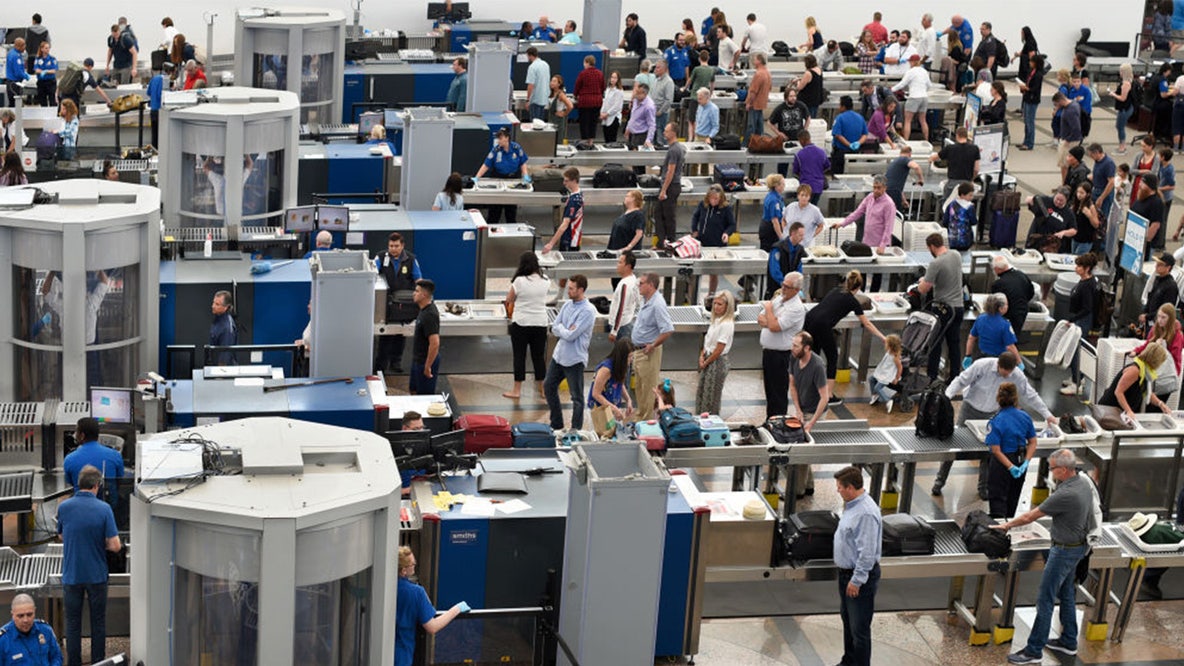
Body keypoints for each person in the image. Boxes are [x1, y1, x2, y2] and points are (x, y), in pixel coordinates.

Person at [997, 449, 1097, 663]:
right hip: (1078, 546)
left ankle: (1033, 651)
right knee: (1067, 593)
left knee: (1045, 599)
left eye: (1052, 468)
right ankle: (1069, 641)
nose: (1050, 472)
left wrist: (1006, 525)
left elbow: (1030, 516)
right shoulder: (1083, 482)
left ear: (1062, 469)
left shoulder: (1066, 494)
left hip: (1064, 550)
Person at [935, 352, 1056, 496]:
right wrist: (946, 398)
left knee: (989, 450)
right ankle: (939, 481)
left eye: (1009, 372)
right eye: (1004, 372)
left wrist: (1047, 415)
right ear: (998, 364)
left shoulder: (1016, 374)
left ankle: (983, 487)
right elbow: (961, 381)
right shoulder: (982, 365)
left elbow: (1030, 395)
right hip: (970, 409)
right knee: (955, 445)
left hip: (992, 413)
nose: (1006, 375)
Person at [57, 465, 120, 666]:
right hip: (96, 575)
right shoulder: (104, 509)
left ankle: (73, 662)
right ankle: (98, 662)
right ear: (96, 486)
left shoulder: (64, 507)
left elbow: (61, 535)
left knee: (73, 624)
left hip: (72, 574)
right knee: (98, 623)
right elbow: (115, 545)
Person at [804, 271, 886, 405]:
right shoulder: (852, 301)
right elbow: (867, 323)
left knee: (814, 356)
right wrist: (883, 337)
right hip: (822, 324)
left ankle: (810, 390)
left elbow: (831, 306)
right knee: (832, 357)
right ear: (858, 287)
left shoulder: (835, 290)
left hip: (810, 319)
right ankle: (828, 395)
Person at [832, 465, 882, 666]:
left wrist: (857, 580)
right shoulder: (853, 505)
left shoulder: (865, 514)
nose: (838, 490)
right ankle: (849, 661)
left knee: (859, 629)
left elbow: (867, 553)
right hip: (846, 575)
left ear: (851, 487)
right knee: (848, 623)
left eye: (840, 487)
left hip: (858, 578)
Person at [395, 546, 468, 666]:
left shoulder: (384, 587)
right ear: (403, 570)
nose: (415, 565)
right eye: (412, 564)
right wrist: (457, 609)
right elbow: (432, 626)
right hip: (402, 655)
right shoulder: (416, 592)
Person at [544, 274, 596, 430]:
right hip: (559, 356)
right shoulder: (567, 305)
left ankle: (576, 429)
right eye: (568, 288)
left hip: (574, 359)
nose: (568, 291)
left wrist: (563, 330)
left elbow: (571, 335)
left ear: (581, 290)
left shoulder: (588, 311)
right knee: (548, 387)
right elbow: (555, 327)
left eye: (572, 289)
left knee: (577, 398)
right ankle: (557, 424)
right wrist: (563, 329)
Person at [982, 382, 1038, 519]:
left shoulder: (996, 421)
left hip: (1002, 463)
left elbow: (995, 450)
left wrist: (1010, 466)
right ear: (1015, 398)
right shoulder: (1025, 417)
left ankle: (999, 533)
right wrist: (1025, 462)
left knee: (998, 500)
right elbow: (1033, 442)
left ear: (998, 398)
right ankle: (1010, 528)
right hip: (1020, 459)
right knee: (1013, 497)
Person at [503, 251, 551, 400]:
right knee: (538, 357)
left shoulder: (519, 281)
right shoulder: (546, 280)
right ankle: (543, 389)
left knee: (519, 356)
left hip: (521, 323)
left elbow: (509, 299)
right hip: (540, 323)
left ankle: (516, 390)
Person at [918, 233, 965, 382]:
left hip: (943, 308)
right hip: (958, 307)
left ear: (931, 247)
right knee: (954, 344)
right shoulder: (956, 255)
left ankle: (932, 377)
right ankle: (955, 377)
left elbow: (923, 289)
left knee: (935, 343)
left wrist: (922, 281)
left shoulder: (935, 263)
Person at [836, 175, 896, 291]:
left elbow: (889, 227)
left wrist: (882, 245)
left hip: (879, 243)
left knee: (877, 273)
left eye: (878, 188)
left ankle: (873, 296)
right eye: (874, 187)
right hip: (867, 241)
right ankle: (861, 294)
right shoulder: (869, 197)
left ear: (885, 188)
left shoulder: (889, 204)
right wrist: (843, 223)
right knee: (862, 270)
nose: (876, 191)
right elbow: (858, 212)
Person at [759, 273, 806, 419]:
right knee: (769, 391)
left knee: (778, 393)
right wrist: (771, 320)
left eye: (787, 287)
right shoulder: (780, 298)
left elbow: (773, 326)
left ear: (797, 290)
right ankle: (770, 421)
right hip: (769, 352)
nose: (783, 288)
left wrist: (768, 310)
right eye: (783, 285)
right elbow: (760, 319)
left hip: (782, 355)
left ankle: (778, 422)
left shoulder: (796, 308)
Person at [375, 232, 422, 374]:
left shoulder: (411, 259)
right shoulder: (381, 256)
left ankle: (396, 362)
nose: (393, 249)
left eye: (396, 246)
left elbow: (418, 279)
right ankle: (380, 365)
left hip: (404, 304)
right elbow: (372, 272)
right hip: (386, 303)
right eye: (391, 246)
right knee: (385, 335)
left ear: (402, 246)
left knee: (400, 334)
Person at [631, 272, 675, 421]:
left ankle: (648, 420)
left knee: (649, 388)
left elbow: (668, 329)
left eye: (642, 283)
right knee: (640, 387)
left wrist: (653, 345)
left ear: (651, 285)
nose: (639, 285)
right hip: (638, 351)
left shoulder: (657, 304)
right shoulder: (646, 299)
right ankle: (640, 416)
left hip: (648, 352)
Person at [1132, 302, 1184, 404]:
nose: (1160, 320)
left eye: (1163, 317)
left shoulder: (1177, 336)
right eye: (1159, 316)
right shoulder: (1155, 328)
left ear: (1170, 318)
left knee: (1156, 406)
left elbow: (1175, 359)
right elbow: (1147, 344)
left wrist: (1160, 348)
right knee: (1144, 403)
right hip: (1152, 372)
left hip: (1165, 377)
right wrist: (1136, 351)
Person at [474, 128, 529, 224]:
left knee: (511, 210)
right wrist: (477, 177)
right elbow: (486, 164)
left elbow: (522, 163)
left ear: (507, 138)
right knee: (495, 210)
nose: (499, 140)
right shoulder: (496, 150)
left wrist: (526, 176)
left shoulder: (516, 148)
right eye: (498, 138)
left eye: (501, 138)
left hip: (512, 179)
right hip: (498, 178)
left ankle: (511, 231)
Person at [690, 184, 735, 298]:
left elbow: (732, 225)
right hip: (702, 241)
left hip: (717, 244)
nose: (713, 201)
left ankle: (711, 295)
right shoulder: (703, 205)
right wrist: (694, 229)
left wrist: (726, 233)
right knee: (695, 268)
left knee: (713, 273)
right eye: (711, 198)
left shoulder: (726, 209)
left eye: (716, 199)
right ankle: (692, 293)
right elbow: (695, 217)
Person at [63, 417, 125, 497]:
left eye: (76, 431)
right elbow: (119, 480)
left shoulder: (69, 459)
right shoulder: (116, 455)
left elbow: (70, 483)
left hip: (81, 506)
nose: (75, 434)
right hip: (110, 506)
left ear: (82, 435)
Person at [696, 291, 735, 414]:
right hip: (708, 358)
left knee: (712, 397)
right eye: (715, 303)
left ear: (727, 306)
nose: (716, 307)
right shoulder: (716, 320)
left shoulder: (727, 324)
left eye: (720, 304)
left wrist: (706, 362)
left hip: (716, 362)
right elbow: (707, 341)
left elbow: (719, 348)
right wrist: (702, 355)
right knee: (703, 392)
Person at [587, 338, 635, 437]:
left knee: (616, 435)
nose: (631, 360)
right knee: (601, 438)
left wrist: (628, 400)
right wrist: (614, 409)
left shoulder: (622, 366)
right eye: (629, 357)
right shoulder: (606, 369)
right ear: (622, 357)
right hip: (600, 410)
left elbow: (619, 384)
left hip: (612, 407)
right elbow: (596, 393)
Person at [0, 593, 62, 666]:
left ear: (34, 611)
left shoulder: (45, 630)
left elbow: (57, 657)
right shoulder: (3, 639)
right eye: (20, 616)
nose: (25, 620)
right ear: (12, 614)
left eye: (29, 615)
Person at [790, 330, 830, 434]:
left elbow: (824, 397)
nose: (792, 348)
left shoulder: (817, 366)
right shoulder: (794, 357)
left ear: (807, 348)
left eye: (796, 346)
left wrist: (811, 423)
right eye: (792, 345)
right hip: (802, 409)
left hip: (815, 413)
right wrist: (798, 410)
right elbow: (793, 385)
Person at [966, 293, 1021, 363]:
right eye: (1006, 304)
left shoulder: (980, 318)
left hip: (981, 358)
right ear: (1000, 308)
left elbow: (971, 338)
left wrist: (968, 355)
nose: (1007, 306)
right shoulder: (1005, 324)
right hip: (998, 360)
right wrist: (1019, 362)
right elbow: (1010, 346)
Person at [991, 255, 1036, 341]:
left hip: (1008, 315)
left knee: (1005, 339)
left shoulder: (998, 284)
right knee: (1014, 336)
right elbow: (1031, 292)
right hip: (1022, 311)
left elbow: (996, 303)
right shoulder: (1021, 275)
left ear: (997, 269)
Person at [654, 123, 685, 244]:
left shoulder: (674, 150)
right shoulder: (678, 148)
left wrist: (663, 190)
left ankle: (669, 241)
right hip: (673, 186)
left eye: (666, 131)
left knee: (668, 216)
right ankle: (662, 241)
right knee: (660, 213)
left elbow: (670, 171)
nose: (664, 133)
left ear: (673, 133)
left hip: (671, 186)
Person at [929, 127, 980, 200]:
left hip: (952, 184)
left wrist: (929, 159)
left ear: (957, 135)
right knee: (964, 207)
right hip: (967, 185)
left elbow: (934, 158)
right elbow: (976, 169)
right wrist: (971, 179)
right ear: (966, 136)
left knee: (948, 207)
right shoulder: (975, 149)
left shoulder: (950, 148)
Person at [768, 86, 809, 176]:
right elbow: (769, 123)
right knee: (783, 165)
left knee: (800, 162)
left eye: (794, 96)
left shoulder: (801, 105)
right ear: (786, 97)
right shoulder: (780, 108)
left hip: (799, 141)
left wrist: (804, 130)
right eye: (791, 96)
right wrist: (779, 133)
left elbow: (808, 117)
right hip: (785, 141)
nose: (793, 98)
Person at [410, 280, 441, 395]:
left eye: (417, 291)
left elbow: (435, 343)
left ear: (424, 295)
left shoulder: (429, 315)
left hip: (426, 361)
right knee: (413, 390)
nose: (414, 293)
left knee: (423, 397)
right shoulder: (423, 310)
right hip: (418, 359)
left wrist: (428, 366)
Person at [543, 168, 584, 254]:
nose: (564, 183)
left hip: (570, 239)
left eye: (566, 181)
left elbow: (565, 224)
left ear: (574, 181)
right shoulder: (579, 193)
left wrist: (551, 243)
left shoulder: (574, 201)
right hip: (574, 237)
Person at [830, 96, 868, 176]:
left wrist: (849, 144)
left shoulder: (840, 118)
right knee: (851, 174)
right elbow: (865, 134)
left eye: (840, 105)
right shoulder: (860, 118)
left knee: (837, 176)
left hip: (840, 153)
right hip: (854, 153)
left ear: (843, 106)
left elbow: (837, 135)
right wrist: (858, 143)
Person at [609, 251, 640, 342]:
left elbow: (621, 308)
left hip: (622, 327)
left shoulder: (625, 284)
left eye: (620, 262)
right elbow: (638, 302)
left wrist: (614, 331)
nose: (617, 265)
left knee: (622, 354)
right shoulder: (634, 280)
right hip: (628, 322)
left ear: (628, 266)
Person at [768, 223, 806, 298]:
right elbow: (774, 270)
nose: (802, 238)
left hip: (792, 287)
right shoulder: (778, 248)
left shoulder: (800, 250)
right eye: (800, 235)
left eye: (803, 235)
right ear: (793, 233)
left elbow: (799, 269)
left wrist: (796, 284)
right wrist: (785, 284)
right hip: (777, 286)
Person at [1142, 252, 1180, 328]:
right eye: (1157, 264)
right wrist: (1145, 313)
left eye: (1160, 265)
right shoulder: (1157, 280)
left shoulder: (1171, 286)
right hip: (1149, 322)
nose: (1156, 266)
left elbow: (1166, 309)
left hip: (1159, 325)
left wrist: (1148, 316)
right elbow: (1150, 298)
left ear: (1168, 268)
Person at [1133, 173, 1166, 259]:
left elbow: (1155, 225)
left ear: (1149, 186)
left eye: (1142, 183)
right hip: (1135, 237)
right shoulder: (1141, 196)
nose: (1140, 185)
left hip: (1145, 243)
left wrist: (1145, 242)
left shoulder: (1156, 203)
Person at [792, 130, 829, 206]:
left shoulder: (799, 154)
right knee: (813, 208)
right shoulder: (822, 152)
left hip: (805, 186)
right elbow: (827, 166)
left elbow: (795, 171)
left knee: (801, 209)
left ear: (802, 140)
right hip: (818, 187)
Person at [572, 56, 604, 141]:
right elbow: (602, 87)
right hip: (597, 102)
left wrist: (575, 95)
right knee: (593, 124)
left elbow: (577, 87)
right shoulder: (600, 73)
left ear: (587, 62)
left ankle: (585, 142)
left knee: (584, 123)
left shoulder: (583, 74)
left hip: (585, 102)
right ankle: (591, 142)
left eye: (584, 63)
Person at [884, 144, 924, 211]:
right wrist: (921, 179)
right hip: (893, 191)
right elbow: (916, 167)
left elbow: (898, 185)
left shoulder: (895, 161)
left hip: (887, 189)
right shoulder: (905, 159)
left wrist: (903, 200)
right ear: (910, 154)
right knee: (896, 214)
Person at [869, 335, 903, 412]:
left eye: (887, 343)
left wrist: (897, 378)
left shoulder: (895, 357)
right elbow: (885, 340)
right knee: (871, 379)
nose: (885, 344)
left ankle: (887, 400)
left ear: (890, 346)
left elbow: (900, 367)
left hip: (887, 375)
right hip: (882, 372)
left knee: (877, 388)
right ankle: (875, 395)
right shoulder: (889, 352)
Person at [1017, 53, 1044, 150]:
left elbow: (1035, 88)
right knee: (1026, 121)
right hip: (1027, 97)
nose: (1029, 63)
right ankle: (1025, 141)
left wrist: (1026, 88)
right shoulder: (1031, 72)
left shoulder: (1038, 75)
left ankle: (1030, 143)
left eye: (1031, 62)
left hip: (1033, 99)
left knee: (1030, 121)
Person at [943, 181, 977, 251]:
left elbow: (945, 221)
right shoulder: (969, 207)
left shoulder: (951, 204)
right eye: (970, 195)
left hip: (952, 237)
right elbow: (974, 221)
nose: (972, 197)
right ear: (962, 195)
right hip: (965, 238)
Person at [1111, 64, 1136, 155]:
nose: (1119, 73)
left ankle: (1122, 147)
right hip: (1126, 107)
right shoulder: (1128, 81)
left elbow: (1122, 98)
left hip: (1125, 108)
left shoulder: (1126, 84)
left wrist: (1113, 94)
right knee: (1119, 126)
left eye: (1121, 71)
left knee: (1120, 127)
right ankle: (1122, 145)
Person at [1089, 143, 1118, 220]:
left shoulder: (1108, 163)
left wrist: (1101, 198)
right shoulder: (1097, 160)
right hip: (1096, 189)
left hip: (1104, 193)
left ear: (1097, 153)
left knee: (1101, 217)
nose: (1091, 157)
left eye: (1091, 155)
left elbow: (1111, 182)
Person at [106, 18, 139, 84]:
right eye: (114, 34)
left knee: (124, 86)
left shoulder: (125, 39)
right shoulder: (110, 39)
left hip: (126, 66)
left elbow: (134, 53)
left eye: (117, 34)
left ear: (119, 31)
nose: (116, 36)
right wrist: (107, 65)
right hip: (116, 66)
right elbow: (110, 52)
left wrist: (134, 68)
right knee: (114, 85)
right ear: (111, 32)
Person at [208, 290, 237, 365]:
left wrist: (218, 376)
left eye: (217, 304)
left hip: (223, 371)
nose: (213, 306)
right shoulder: (217, 318)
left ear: (225, 307)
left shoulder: (227, 329)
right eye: (213, 302)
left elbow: (224, 361)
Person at [649, 61, 675, 145]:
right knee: (652, 137)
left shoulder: (668, 82)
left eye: (658, 67)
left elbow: (668, 100)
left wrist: (660, 111)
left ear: (664, 69)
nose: (655, 69)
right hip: (653, 113)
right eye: (656, 67)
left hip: (661, 115)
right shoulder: (656, 80)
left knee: (661, 137)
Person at [759, 174, 786, 252]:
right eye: (782, 184)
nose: (784, 186)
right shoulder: (773, 200)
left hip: (774, 226)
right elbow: (775, 221)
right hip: (770, 229)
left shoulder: (778, 197)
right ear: (776, 186)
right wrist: (781, 236)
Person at [624, 83, 657, 148]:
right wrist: (628, 128)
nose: (636, 94)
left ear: (644, 94)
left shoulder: (649, 107)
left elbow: (652, 125)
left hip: (641, 136)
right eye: (636, 92)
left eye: (638, 93)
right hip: (632, 134)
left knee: (637, 156)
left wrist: (648, 140)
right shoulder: (636, 100)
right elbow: (633, 116)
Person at [524, 47, 550, 121]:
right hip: (544, 98)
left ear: (530, 55)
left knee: (535, 123)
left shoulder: (532, 67)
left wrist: (528, 100)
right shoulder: (546, 64)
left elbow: (530, 85)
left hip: (535, 100)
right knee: (540, 122)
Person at [547, 74, 574, 141]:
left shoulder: (561, 95)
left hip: (558, 121)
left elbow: (570, 106)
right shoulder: (552, 93)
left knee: (558, 139)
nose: (552, 83)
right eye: (551, 81)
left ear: (559, 84)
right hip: (551, 119)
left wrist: (564, 113)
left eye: (554, 81)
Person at [599, 71, 625, 142]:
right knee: (606, 139)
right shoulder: (608, 89)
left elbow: (617, 106)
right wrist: (601, 113)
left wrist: (607, 114)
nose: (613, 79)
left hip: (613, 118)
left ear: (618, 79)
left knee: (612, 140)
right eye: (612, 77)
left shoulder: (619, 91)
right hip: (605, 118)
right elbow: (605, 102)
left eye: (615, 78)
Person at [32, 41, 57, 108]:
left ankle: (53, 116)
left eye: (48, 48)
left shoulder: (52, 58)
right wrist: (46, 71)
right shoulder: (38, 59)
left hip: (51, 82)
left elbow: (54, 70)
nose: (48, 49)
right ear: (42, 49)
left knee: (52, 100)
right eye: (46, 48)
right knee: (43, 101)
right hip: (41, 83)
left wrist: (45, 71)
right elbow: (36, 70)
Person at [6, 39, 29, 108]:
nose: (25, 47)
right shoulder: (15, 56)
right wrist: (27, 77)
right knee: (16, 104)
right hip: (14, 83)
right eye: (24, 45)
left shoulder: (13, 53)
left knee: (13, 103)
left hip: (12, 82)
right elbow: (18, 72)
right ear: (19, 46)